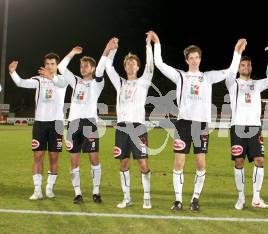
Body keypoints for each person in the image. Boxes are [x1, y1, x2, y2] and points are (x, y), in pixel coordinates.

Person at [151, 30, 244, 212]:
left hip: (201, 125)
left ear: (200, 59)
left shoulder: (207, 77)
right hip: (183, 123)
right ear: (186, 60)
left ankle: (195, 198)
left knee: (200, 163)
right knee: (179, 163)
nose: (194, 60)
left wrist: (237, 52)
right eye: (191, 58)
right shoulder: (180, 76)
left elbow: (231, 70)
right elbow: (159, 63)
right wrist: (157, 43)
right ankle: (178, 200)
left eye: (196, 57)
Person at [103, 34, 154, 209]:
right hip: (122, 128)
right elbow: (108, 67)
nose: (131, 65)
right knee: (123, 163)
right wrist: (113, 49)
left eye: (133, 63)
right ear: (124, 67)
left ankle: (147, 197)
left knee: (143, 163)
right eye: (128, 63)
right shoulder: (120, 83)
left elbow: (151, 66)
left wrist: (148, 45)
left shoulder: (144, 82)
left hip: (138, 127)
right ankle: (127, 197)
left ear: (138, 67)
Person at [8, 53, 67, 200]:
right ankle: (37, 190)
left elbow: (61, 84)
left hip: (57, 123)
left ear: (57, 66)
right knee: (38, 156)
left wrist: (51, 77)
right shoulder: (38, 80)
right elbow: (21, 82)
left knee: (54, 157)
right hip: (40, 123)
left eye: (52, 64)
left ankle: (49, 188)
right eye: (47, 63)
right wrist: (12, 72)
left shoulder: (62, 79)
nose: (49, 66)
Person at [51, 46, 105, 204]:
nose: (83, 68)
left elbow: (101, 70)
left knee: (94, 159)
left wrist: (108, 50)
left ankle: (96, 192)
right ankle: (78, 193)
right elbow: (61, 67)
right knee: (74, 160)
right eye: (81, 66)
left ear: (93, 68)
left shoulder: (97, 83)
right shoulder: (75, 80)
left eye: (86, 66)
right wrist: (73, 53)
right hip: (73, 124)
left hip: (89, 123)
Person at [226, 44, 268, 210]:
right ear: (239, 67)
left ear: (251, 67)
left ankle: (256, 197)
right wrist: (237, 53)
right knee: (239, 161)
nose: (245, 67)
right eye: (242, 65)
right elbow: (230, 71)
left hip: (255, 127)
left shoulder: (257, 84)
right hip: (238, 127)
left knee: (260, 160)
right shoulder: (232, 83)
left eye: (248, 65)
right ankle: (241, 198)